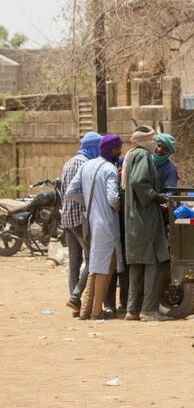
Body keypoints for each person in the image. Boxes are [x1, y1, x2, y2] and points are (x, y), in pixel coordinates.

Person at [65, 134, 124, 321]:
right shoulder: (109, 169)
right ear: (113, 150)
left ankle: (85, 311)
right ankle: (97, 310)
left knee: (96, 267)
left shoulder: (86, 165)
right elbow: (113, 198)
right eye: (118, 149)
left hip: (90, 222)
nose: (120, 152)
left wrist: (89, 204)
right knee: (106, 268)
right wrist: (119, 206)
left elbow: (71, 191)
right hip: (106, 224)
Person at [123, 126, 170, 322]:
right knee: (154, 263)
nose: (155, 145)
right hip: (145, 218)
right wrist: (157, 197)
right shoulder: (142, 156)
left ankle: (132, 309)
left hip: (134, 220)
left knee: (137, 265)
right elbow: (139, 182)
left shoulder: (131, 155)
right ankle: (149, 310)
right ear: (145, 141)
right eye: (153, 140)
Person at [61, 131, 102, 314]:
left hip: (67, 219)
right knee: (92, 259)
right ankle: (76, 296)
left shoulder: (68, 162)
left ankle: (75, 304)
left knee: (74, 262)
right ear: (93, 148)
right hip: (80, 219)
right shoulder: (86, 164)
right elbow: (76, 192)